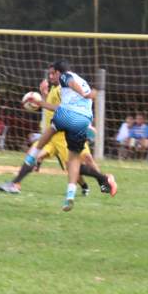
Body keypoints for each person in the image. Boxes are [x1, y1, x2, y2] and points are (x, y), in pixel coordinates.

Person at [0, 76, 115, 197]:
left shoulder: (63, 90)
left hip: (63, 136)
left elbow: (66, 108)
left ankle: (103, 180)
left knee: (79, 164)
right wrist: (43, 95)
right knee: (33, 155)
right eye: (50, 74)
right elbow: (51, 107)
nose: (50, 76)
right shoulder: (54, 89)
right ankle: (15, 184)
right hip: (50, 136)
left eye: (54, 73)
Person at [19, 61, 113, 211]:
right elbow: (62, 104)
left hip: (69, 117)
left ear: (58, 72)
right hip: (82, 121)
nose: (50, 77)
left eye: (52, 73)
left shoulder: (65, 77)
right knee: (73, 161)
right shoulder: (81, 83)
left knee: (48, 134)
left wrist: (84, 94)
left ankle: (32, 159)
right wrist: (41, 102)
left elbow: (70, 82)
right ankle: (71, 196)